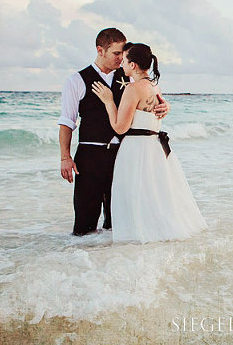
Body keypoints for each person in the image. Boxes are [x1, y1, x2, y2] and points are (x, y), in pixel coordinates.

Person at [91, 43, 207, 242]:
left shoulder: (133, 89)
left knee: (135, 193)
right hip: (154, 146)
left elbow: (120, 128)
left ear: (133, 65)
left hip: (136, 148)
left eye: (125, 61)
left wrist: (109, 101)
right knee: (153, 192)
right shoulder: (154, 86)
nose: (122, 65)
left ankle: (138, 235)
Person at [58, 28, 169, 236]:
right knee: (85, 223)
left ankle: (114, 263)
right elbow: (67, 121)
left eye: (123, 54)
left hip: (123, 156)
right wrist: (65, 157)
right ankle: (83, 263)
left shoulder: (130, 76)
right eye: (116, 53)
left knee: (119, 221)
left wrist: (165, 106)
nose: (121, 58)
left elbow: (149, 95)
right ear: (100, 50)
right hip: (89, 157)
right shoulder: (76, 80)